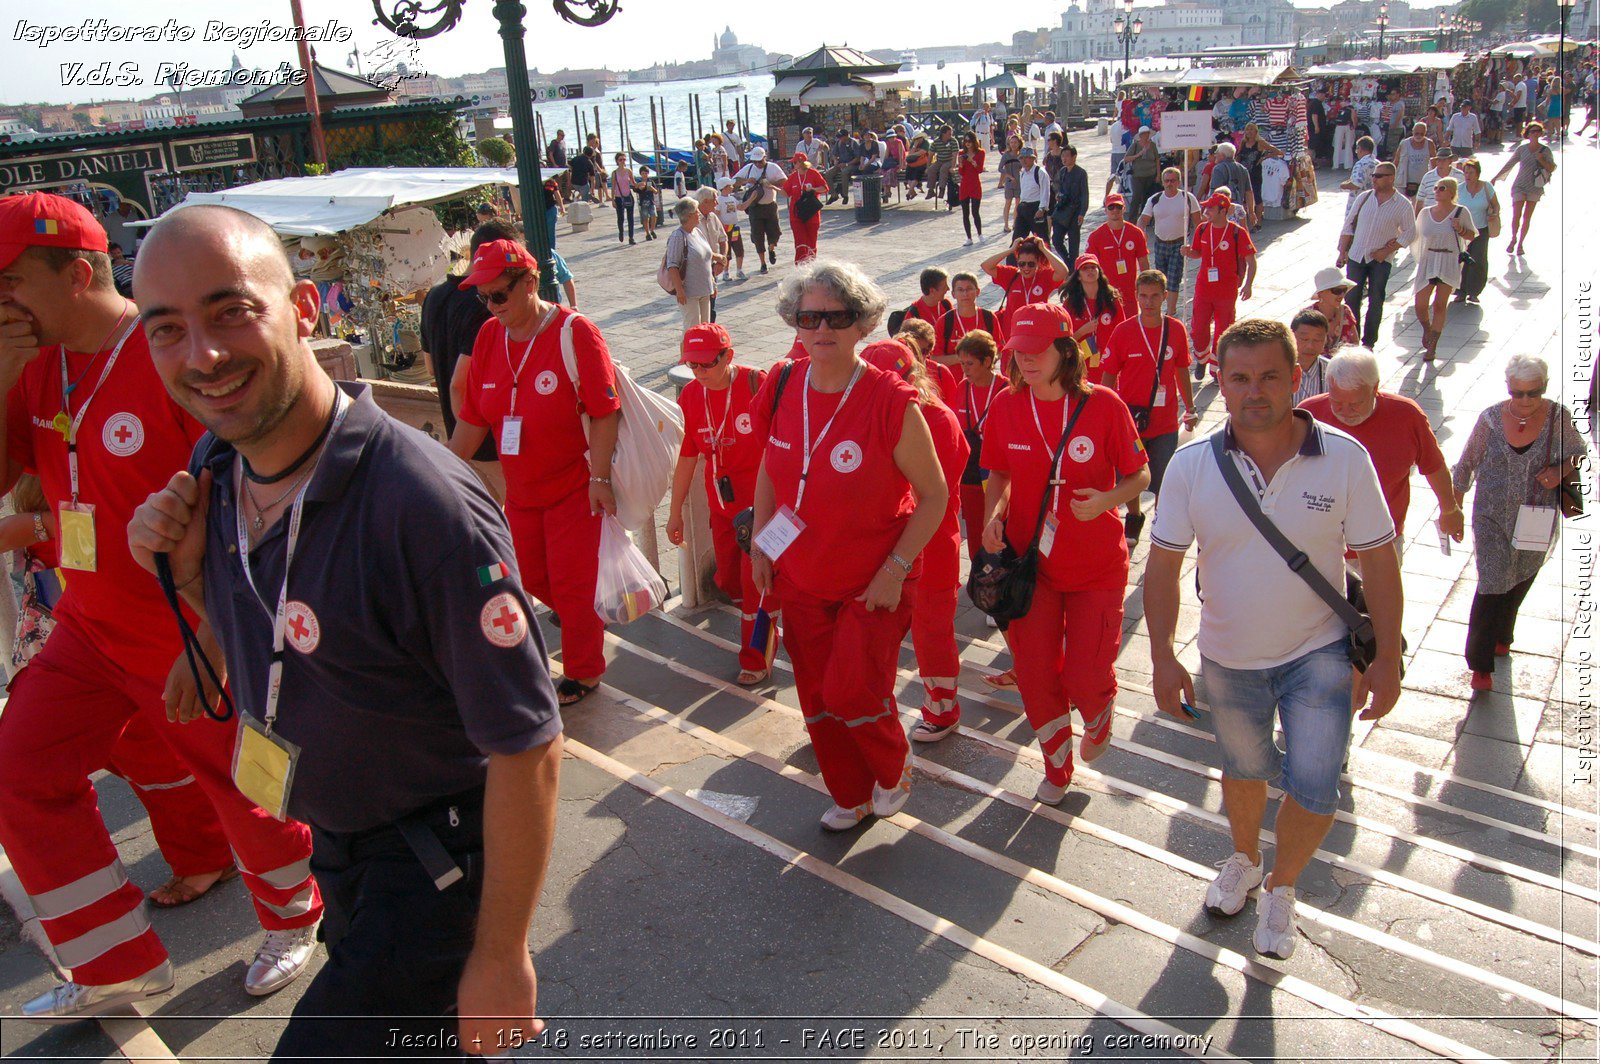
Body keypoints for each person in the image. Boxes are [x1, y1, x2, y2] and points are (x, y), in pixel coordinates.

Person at [127, 204, 562, 1056]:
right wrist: (193, 596)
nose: (201, 356)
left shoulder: (421, 504)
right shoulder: (217, 468)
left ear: (304, 310)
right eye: (166, 329)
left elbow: (528, 744)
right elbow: (279, 608)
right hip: (343, 852)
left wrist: (502, 954)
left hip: (433, 867)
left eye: (230, 312)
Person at [0, 192, 324, 1020]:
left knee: (240, 783)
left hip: (186, 624)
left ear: (76, 273)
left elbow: (249, 497)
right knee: (19, 767)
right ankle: (114, 965)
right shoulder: (34, 366)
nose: (1, 303)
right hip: (88, 624)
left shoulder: (173, 355)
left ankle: (296, 915)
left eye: (8, 281)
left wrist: (216, 633)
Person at [1146, 317, 1402, 962]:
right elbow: (1162, 568)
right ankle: (1243, 858)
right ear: (1221, 383)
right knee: (1243, 770)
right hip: (1228, 657)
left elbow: (1379, 561)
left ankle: (1283, 885)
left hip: (1317, 654)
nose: (1254, 390)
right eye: (1240, 377)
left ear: (1296, 379)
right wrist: (1162, 657)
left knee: (1316, 788)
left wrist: (1390, 659)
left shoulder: (1345, 458)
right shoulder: (1190, 466)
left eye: (1269, 377)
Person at [749, 260, 947, 831]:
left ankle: (893, 763)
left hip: (874, 578)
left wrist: (894, 568)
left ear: (862, 323)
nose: (822, 328)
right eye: (810, 316)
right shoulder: (782, 383)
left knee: (853, 689)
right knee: (815, 697)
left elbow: (933, 496)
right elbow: (770, 463)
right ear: (796, 322)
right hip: (804, 574)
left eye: (837, 317)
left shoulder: (890, 399)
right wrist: (763, 543)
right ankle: (851, 792)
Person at [981, 303, 1151, 801]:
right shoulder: (1007, 406)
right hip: (1029, 567)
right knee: (1035, 671)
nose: (1026, 361)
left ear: (1065, 350)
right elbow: (1000, 474)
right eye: (1019, 351)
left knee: (1085, 672)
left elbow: (1140, 474)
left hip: (1095, 564)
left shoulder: (1103, 405)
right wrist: (994, 514)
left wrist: (1107, 501)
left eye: (1037, 351)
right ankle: (1057, 766)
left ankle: (1099, 715)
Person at [448, 239, 620, 707]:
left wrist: (600, 479)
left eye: (499, 295)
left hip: (573, 488)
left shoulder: (575, 331)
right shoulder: (488, 336)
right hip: (521, 492)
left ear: (530, 282)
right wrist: (439, 466)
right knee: (531, 580)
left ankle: (584, 670)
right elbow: (474, 418)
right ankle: (581, 620)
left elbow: (605, 410)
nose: (491, 306)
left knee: (572, 585)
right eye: (483, 297)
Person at [1451, 354, 1587, 691]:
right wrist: (1453, 506)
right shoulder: (1492, 420)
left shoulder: (1558, 417)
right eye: (1518, 393)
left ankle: (1503, 634)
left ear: (1544, 388)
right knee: (1493, 580)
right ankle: (1480, 664)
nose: (1525, 401)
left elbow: (1580, 452)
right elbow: (1465, 464)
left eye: (1534, 392)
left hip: (1537, 515)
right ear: (1508, 389)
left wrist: (1560, 471)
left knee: (1522, 575)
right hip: (1491, 516)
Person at [858, 341, 969, 746]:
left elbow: (933, 493)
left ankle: (943, 707)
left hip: (931, 543)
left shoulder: (936, 420)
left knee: (930, 629)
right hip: (885, 541)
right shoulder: (870, 411)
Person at [665, 324, 776, 685]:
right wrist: (674, 511)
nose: (698, 374)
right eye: (692, 366)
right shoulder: (691, 398)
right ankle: (771, 614)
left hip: (762, 511)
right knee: (729, 581)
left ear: (729, 356)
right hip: (723, 510)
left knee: (753, 584)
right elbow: (686, 458)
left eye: (706, 365)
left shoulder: (755, 385)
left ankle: (755, 656)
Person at [1300, 346, 1462, 573]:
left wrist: (1450, 509)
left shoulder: (1406, 415)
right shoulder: (1308, 415)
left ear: (1375, 388)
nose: (1345, 412)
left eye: (1355, 404)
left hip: (1381, 545)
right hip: (1321, 546)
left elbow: (1433, 466)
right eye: (1337, 402)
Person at [1100, 270, 1197, 545]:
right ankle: (1134, 515)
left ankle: (1162, 520)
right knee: (1131, 471)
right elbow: (1108, 373)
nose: (1149, 302)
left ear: (1165, 297)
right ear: (1136, 296)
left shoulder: (1175, 329)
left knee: (1164, 474)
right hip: (1131, 416)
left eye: (1155, 296)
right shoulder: (1124, 331)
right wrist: (1108, 410)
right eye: (1143, 296)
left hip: (1165, 419)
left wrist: (1190, 408)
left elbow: (1182, 371)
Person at [421, 221, 514, 504]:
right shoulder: (485, 302)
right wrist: (471, 442)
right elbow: (458, 384)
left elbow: (430, 369)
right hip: (484, 443)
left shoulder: (434, 296)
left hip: (458, 435)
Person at [1337, 160, 1415, 350]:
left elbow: (1410, 232)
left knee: (1376, 298)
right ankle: (1351, 338)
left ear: (1391, 178)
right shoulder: (1364, 197)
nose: (1374, 179)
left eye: (1379, 176)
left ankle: (1369, 342)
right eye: (1373, 175)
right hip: (1357, 255)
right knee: (1351, 298)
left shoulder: (1403, 205)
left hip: (1380, 259)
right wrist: (1342, 252)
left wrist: (1388, 249)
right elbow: (1349, 224)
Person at [1183, 191, 1256, 379]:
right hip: (1204, 288)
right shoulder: (1202, 229)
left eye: (1211, 208)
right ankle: (1201, 358)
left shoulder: (1237, 232)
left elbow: (1251, 260)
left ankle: (1217, 369)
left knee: (1223, 331)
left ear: (1223, 211)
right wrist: (1188, 252)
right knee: (1198, 328)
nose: (1206, 211)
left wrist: (1248, 285)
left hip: (1226, 290)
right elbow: (1198, 253)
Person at [951, 330, 1003, 564]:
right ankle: (978, 569)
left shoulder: (1006, 388)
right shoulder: (962, 387)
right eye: (962, 363)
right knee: (973, 523)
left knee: (1000, 519)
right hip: (972, 470)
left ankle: (1002, 566)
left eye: (970, 363)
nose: (965, 369)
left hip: (999, 469)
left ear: (987, 361)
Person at [1411, 177, 1476, 362]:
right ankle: (1427, 329)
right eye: (1436, 188)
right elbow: (1415, 235)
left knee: (1440, 304)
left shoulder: (1461, 212)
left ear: (1452, 192)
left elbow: (1471, 235)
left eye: (1442, 188)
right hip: (1429, 259)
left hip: (1448, 259)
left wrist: (1460, 229)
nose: (1437, 191)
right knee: (1420, 304)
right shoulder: (1425, 212)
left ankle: (1432, 347)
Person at [1139, 168, 1202, 317]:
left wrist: (1196, 245)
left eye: (1172, 181)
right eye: (1166, 181)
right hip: (1160, 242)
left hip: (1179, 243)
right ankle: (1158, 308)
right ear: (1162, 182)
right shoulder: (1155, 199)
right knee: (1160, 278)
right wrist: (1140, 233)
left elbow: (1199, 223)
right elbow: (1143, 220)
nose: (1169, 184)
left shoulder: (1188, 198)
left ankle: (1171, 311)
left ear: (1179, 182)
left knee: (1174, 278)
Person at [981, 235, 1069, 338]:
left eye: (1031, 264)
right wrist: (1011, 250)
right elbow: (986, 266)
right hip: (1012, 333)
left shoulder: (1044, 276)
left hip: (1036, 332)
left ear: (1038, 262)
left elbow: (1063, 271)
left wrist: (1043, 249)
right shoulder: (1011, 275)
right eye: (1022, 264)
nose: (1026, 268)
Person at [1492, 121, 1556, 257]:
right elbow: (1510, 163)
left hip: (1535, 187)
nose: (1536, 134)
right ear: (1528, 133)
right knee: (1516, 214)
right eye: (1533, 131)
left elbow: (1552, 168)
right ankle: (1513, 238)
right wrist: (1496, 177)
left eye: (1538, 131)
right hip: (1520, 185)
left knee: (1527, 217)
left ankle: (1521, 243)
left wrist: (1542, 160)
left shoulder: (1545, 150)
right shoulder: (1522, 149)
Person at [1061, 254, 1127, 384]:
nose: (1090, 270)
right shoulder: (1069, 305)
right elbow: (1063, 343)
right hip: (1081, 365)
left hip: (1109, 365)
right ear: (1078, 276)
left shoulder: (1111, 300)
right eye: (1085, 268)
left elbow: (1123, 333)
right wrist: (1082, 331)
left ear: (1099, 272)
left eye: (1093, 267)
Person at [1084, 193, 1150, 310]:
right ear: (1105, 210)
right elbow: (1088, 266)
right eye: (1111, 207)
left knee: (1130, 324)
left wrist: (1147, 286)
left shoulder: (1136, 233)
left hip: (1130, 292)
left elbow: (1143, 261)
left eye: (1118, 207)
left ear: (1124, 208)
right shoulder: (1096, 236)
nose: (1115, 210)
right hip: (1105, 291)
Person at [665, 198, 719, 327]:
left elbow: (705, 259)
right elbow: (672, 266)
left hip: (704, 290)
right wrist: (679, 290)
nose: (699, 213)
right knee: (692, 329)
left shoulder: (697, 232)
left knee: (705, 328)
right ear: (689, 215)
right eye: (696, 211)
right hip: (689, 293)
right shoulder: (678, 236)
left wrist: (712, 283)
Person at [1453, 157, 1498, 305]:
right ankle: (1460, 290)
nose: (1468, 175)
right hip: (1463, 230)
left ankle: (1474, 291)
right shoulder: (1459, 189)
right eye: (1466, 172)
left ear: (1477, 173)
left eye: (1471, 172)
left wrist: (1494, 214)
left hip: (1481, 229)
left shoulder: (1486, 187)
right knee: (1461, 260)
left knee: (1478, 260)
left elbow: (1495, 205)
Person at [733, 146, 785, 272]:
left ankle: (771, 249)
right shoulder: (749, 168)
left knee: (775, 232)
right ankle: (763, 263)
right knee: (757, 235)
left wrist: (770, 184)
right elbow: (734, 181)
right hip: (755, 207)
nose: (757, 164)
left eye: (759, 161)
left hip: (770, 205)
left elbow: (784, 181)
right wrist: (746, 180)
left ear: (764, 158)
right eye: (755, 161)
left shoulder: (773, 167)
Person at [933, 272, 1003, 362]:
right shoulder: (944, 321)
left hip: (982, 375)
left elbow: (999, 351)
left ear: (977, 292)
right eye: (960, 290)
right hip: (954, 376)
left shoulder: (989, 317)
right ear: (953, 294)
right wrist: (966, 358)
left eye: (969, 289)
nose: (965, 294)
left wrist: (985, 360)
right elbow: (935, 358)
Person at [783, 151, 830, 265]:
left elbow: (825, 188)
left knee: (811, 241)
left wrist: (813, 189)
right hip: (796, 214)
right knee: (800, 240)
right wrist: (772, 186)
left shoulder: (813, 173)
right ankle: (799, 266)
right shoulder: (793, 176)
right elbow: (786, 193)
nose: (793, 165)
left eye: (794, 162)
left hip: (811, 212)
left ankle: (811, 265)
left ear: (800, 162)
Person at [1302, 266, 1360, 353]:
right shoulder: (1307, 316)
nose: (1341, 295)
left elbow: (1355, 343)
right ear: (1321, 293)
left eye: (1344, 290)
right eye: (1336, 291)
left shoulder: (1345, 311)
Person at [1051, 145, 1090, 265]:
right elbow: (1056, 185)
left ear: (1074, 156)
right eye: (1062, 156)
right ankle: (1068, 263)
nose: (1064, 159)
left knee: (1074, 243)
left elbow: (1085, 194)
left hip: (1075, 211)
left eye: (1067, 156)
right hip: (1062, 209)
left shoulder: (1081, 173)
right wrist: (1058, 194)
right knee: (1056, 240)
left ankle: (1074, 267)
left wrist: (1082, 213)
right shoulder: (1062, 171)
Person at [1205, 142, 1258, 228]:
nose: (1215, 155)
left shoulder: (1218, 168)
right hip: (1238, 210)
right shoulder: (1243, 169)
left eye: (1216, 153)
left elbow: (1214, 193)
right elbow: (1249, 192)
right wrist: (1251, 212)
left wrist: (1208, 211)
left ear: (1222, 155)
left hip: (1223, 211)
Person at [1289, 310, 1332, 405]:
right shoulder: (1277, 368)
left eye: (1317, 340)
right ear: (1291, 335)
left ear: (1326, 340)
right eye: (1304, 339)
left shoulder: (1333, 372)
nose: (1310, 346)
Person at [1011, 145, 1051, 244]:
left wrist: (1041, 209)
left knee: (1042, 241)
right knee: (1017, 240)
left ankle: (1046, 259)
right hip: (1024, 207)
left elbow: (1045, 191)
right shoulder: (1023, 172)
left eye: (1027, 158)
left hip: (1036, 208)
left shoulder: (1040, 172)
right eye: (1022, 158)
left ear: (1033, 158)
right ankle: (1013, 259)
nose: (1024, 160)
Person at [1413, 147, 1464, 218]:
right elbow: (1420, 200)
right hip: (1430, 217)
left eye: (1444, 160)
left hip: (1453, 217)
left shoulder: (1461, 176)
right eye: (1438, 160)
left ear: (1450, 161)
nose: (1441, 163)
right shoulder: (1427, 177)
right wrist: (1417, 220)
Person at [1125, 127, 1162, 222]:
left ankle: (1145, 219)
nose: (1146, 136)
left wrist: (1158, 175)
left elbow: (1157, 160)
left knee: (1148, 198)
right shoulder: (1135, 146)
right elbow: (1126, 159)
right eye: (1144, 134)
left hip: (1151, 175)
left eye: (1148, 134)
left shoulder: (1152, 145)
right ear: (1140, 135)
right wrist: (1139, 154)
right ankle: (1132, 220)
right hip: (1138, 176)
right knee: (1136, 198)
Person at [714, 177, 748, 281]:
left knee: (739, 249)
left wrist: (751, 199)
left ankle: (739, 270)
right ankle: (726, 272)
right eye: (730, 186)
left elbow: (741, 207)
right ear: (724, 187)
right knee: (726, 252)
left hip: (734, 227)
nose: (732, 187)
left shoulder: (733, 198)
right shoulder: (718, 200)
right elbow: (716, 213)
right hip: (725, 228)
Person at [956, 132, 987, 246]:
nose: (967, 143)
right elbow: (961, 172)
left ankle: (980, 234)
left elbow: (979, 169)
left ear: (974, 141)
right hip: (965, 185)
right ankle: (969, 237)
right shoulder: (961, 153)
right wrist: (960, 163)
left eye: (969, 141)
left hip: (975, 184)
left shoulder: (980, 153)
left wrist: (971, 161)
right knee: (965, 213)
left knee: (975, 212)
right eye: (965, 141)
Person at [1338, 136, 1378, 214]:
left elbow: (1356, 184)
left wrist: (1343, 185)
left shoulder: (1361, 164)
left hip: (1360, 205)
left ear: (1359, 148)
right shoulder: (1377, 163)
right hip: (1374, 203)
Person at [1394, 123, 1435, 198]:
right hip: (1403, 182)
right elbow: (1396, 161)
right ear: (1412, 132)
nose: (1419, 136)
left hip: (1422, 183)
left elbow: (1434, 162)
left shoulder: (1429, 144)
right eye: (1416, 133)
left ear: (1425, 133)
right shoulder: (1404, 143)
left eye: (1421, 134)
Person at [928, 126, 961, 208]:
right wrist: (928, 166)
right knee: (931, 169)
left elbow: (955, 155)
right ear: (943, 134)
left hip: (950, 160)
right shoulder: (936, 142)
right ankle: (931, 190)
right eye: (949, 133)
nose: (951, 135)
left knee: (944, 169)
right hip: (940, 160)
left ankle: (941, 189)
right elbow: (930, 155)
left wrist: (953, 167)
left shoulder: (953, 141)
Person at [997, 133, 1022, 230]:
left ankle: (1015, 223)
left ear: (1019, 143)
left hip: (1019, 180)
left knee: (1018, 202)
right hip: (1009, 181)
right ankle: (1006, 224)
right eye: (1011, 142)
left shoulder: (1021, 155)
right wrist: (1009, 176)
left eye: (1015, 142)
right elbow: (1000, 168)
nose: (1013, 144)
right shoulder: (1006, 155)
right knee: (1008, 202)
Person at [611, 152, 636, 245]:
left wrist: (642, 184)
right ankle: (621, 232)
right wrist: (612, 199)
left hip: (628, 196)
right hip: (618, 197)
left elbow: (633, 183)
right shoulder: (614, 173)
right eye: (620, 160)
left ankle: (631, 237)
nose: (622, 161)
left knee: (630, 218)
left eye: (624, 159)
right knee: (620, 218)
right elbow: (613, 187)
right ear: (617, 161)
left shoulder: (628, 171)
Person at [636, 165, 660, 240]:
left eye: (646, 173)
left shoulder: (650, 181)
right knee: (645, 218)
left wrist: (652, 188)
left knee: (654, 215)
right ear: (640, 174)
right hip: (643, 202)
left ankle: (652, 230)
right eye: (643, 173)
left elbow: (656, 191)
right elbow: (635, 189)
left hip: (651, 201)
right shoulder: (639, 182)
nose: (644, 175)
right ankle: (647, 233)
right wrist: (639, 186)